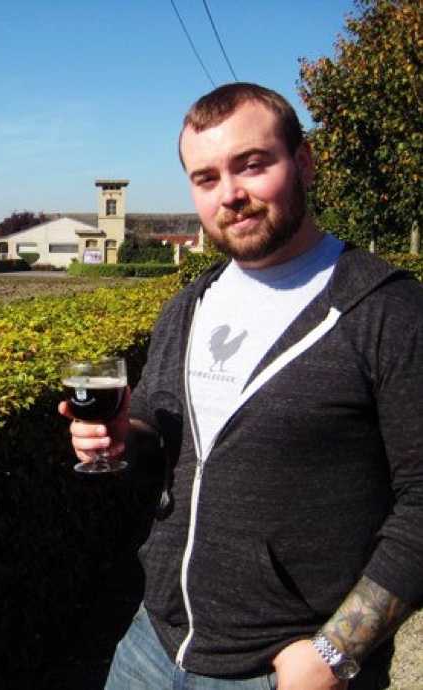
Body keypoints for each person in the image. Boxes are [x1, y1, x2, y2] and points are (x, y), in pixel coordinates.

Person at [63, 82, 423, 689]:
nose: (230, 194)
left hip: (286, 669)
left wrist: (334, 654)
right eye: (206, 178)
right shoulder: (189, 306)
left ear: (303, 163)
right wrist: (127, 437)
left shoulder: (386, 310)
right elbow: (160, 437)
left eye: (252, 165)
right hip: (152, 647)